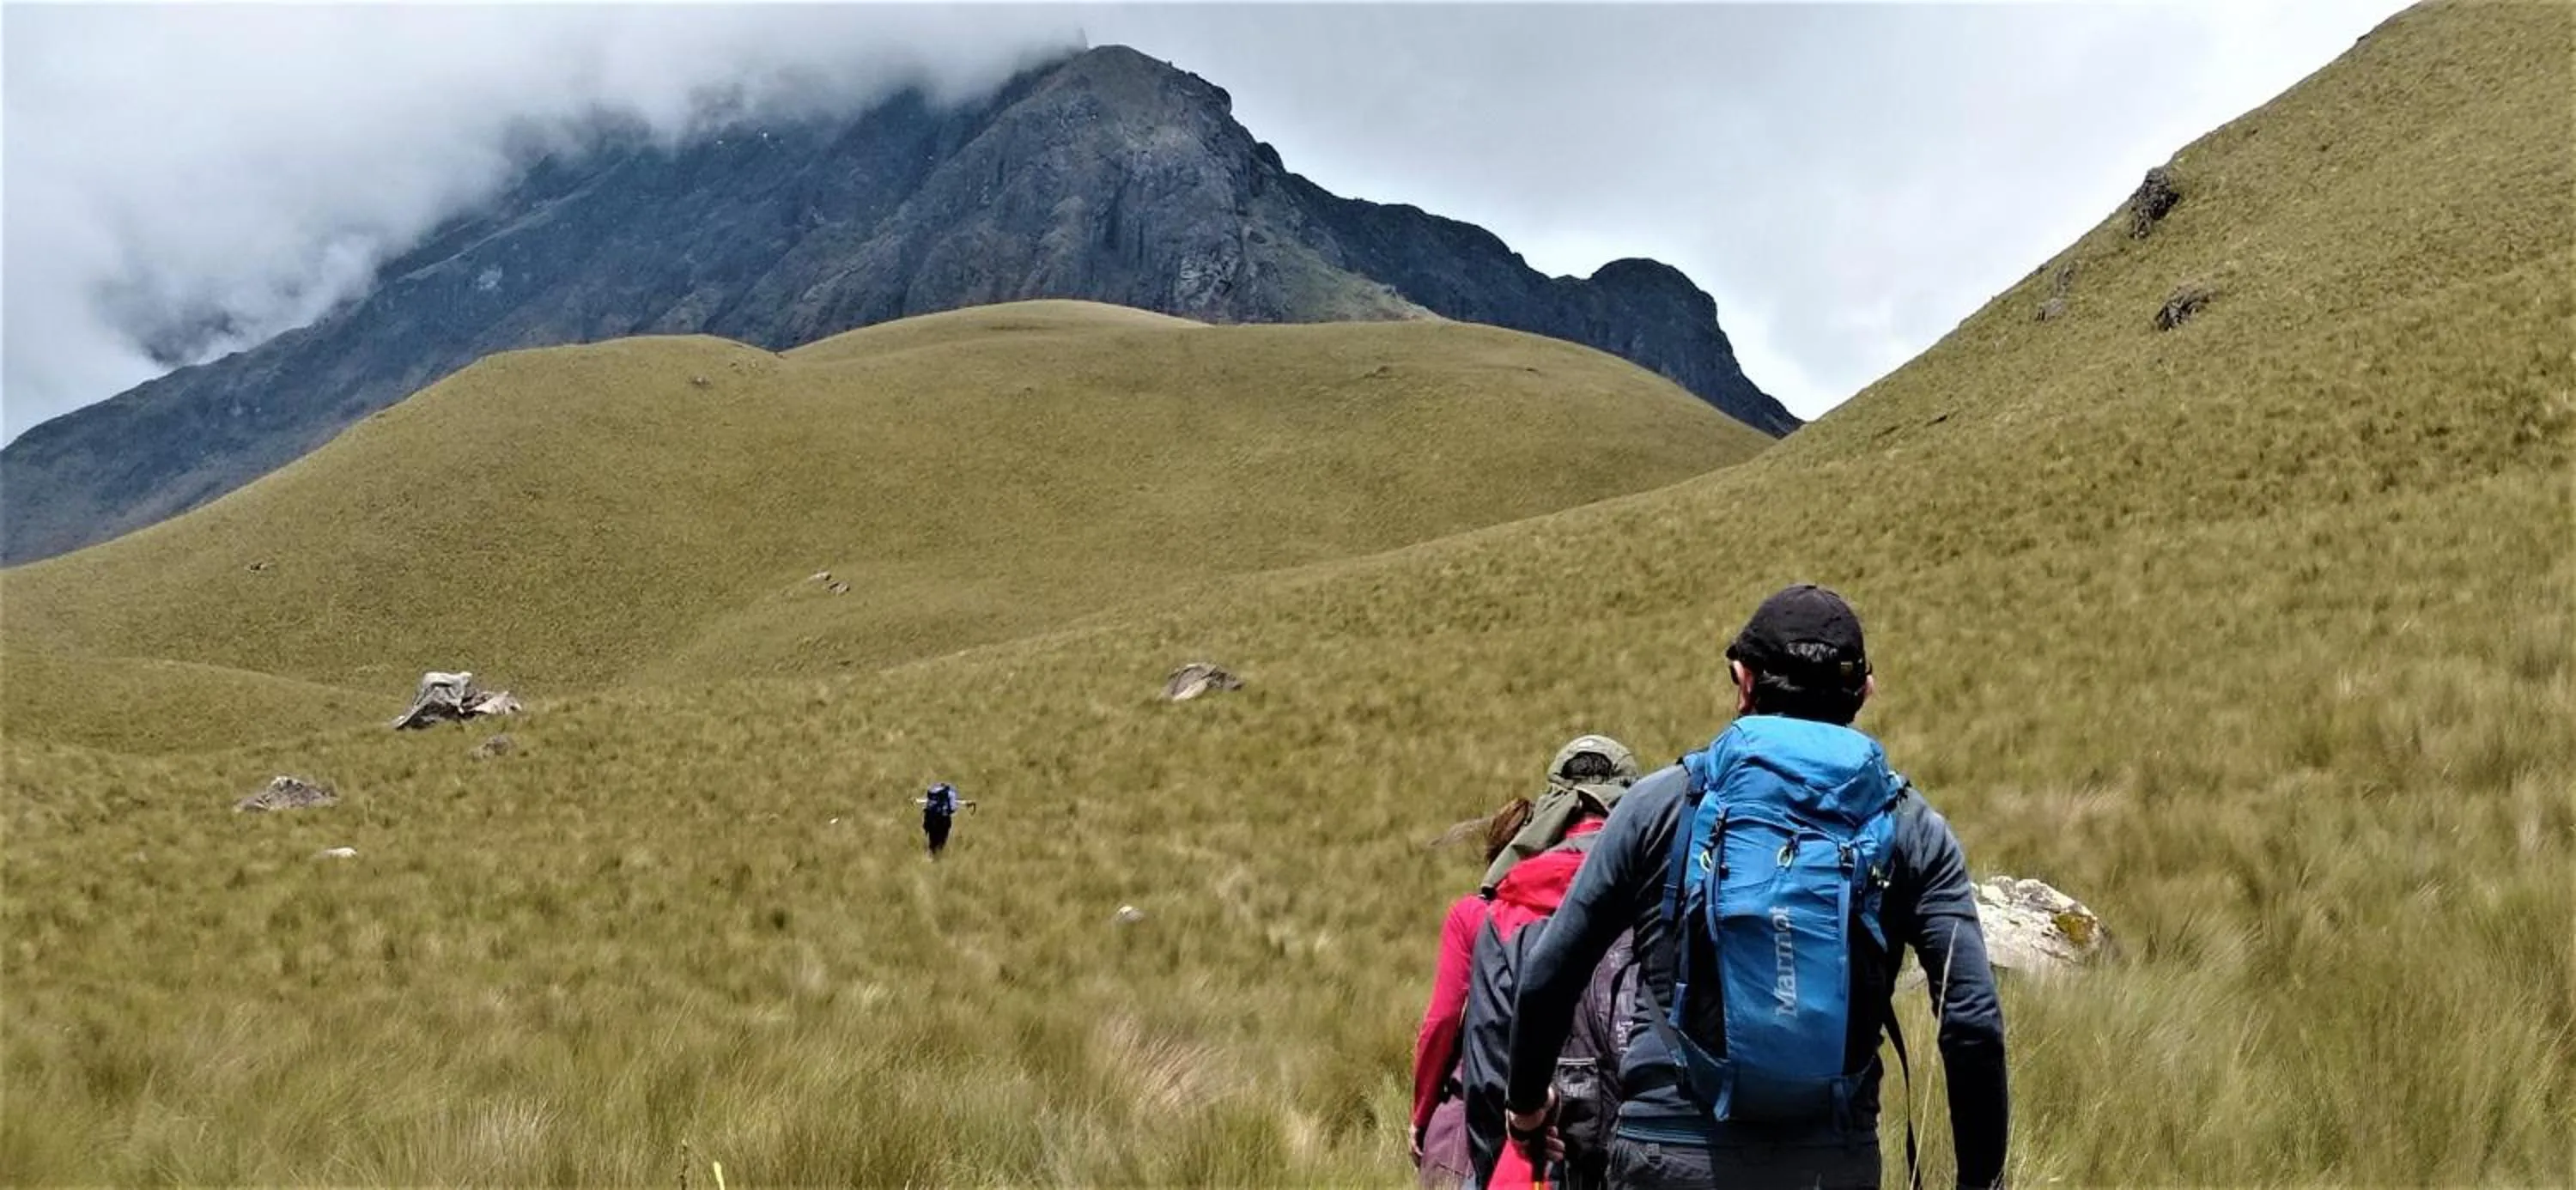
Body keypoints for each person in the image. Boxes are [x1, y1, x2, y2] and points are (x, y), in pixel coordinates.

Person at [1501, 585, 2008, 1190]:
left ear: (1744, 681)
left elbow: (1550, 973)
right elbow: (1973, 1022)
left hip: (1669, 1156)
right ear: (1864, 691)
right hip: (1831, 1162)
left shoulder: (1661, 805)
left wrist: (1527, 1108)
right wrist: (1982, 1181)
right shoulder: (1913, 828)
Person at [1455, 736, 1646, 1190]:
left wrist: (1503, 1162)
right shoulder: (1663, 897)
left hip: (1548, 1162)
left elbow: (1488, 1076)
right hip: (1653, 1160)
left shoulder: (1509, 911)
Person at [1409, 797, 1534, 1188]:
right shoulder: (1574, 916)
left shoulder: (1471, 916)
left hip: (1469, 1117)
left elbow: (1442, 1020)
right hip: (1550, 1122)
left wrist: (1421, 1113)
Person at [918, 782, 975, 859]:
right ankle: (937, 858)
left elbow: (927, 805)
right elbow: (953, 808)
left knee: (933, 840)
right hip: (944, 821)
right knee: (941, 842)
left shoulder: (933, 794)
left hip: (931, 819)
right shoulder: (951, 793)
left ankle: (931, 857)